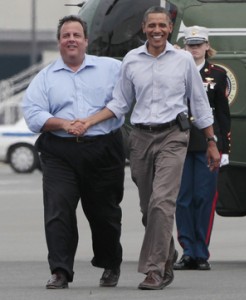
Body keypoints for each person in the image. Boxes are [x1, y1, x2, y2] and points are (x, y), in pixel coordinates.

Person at [71, 6, 221, 290]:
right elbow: (120, 103)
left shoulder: (183, 61)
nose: (156, 30)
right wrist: (89, 121)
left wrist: (211, 142)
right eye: (151, 25)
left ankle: (154, 270)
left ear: (169, 29)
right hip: (140, 139)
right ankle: (167, 253)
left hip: (174, 136)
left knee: (162, 204)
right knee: (147, 208)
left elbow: (200, 104)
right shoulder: (131, 60)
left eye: (162, 26)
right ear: (143, 28)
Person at [22, 15, 125, 289]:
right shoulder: (44, 78)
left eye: (76, 35)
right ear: (59, 42)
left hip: (103, 150)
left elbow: (128, 95)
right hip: (60, 152)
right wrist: (64, 123)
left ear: (86, 41)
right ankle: (60, 271)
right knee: (58, 211)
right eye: (66, 35)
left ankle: (110, 262)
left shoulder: (112, 68)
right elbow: (33, 115)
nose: (71, 39)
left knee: (105, 214)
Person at [174, 26, 231, 271]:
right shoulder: (176, 71)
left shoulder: (218, 74)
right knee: (183, 198)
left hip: (209, 143)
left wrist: (225, 148)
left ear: (207, 46)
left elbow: (224, 114)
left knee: (204, 198)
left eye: (199, 44)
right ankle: (187, 250)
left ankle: (201, 251)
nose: (195, 48)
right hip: (181, 140)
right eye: (190, 44)